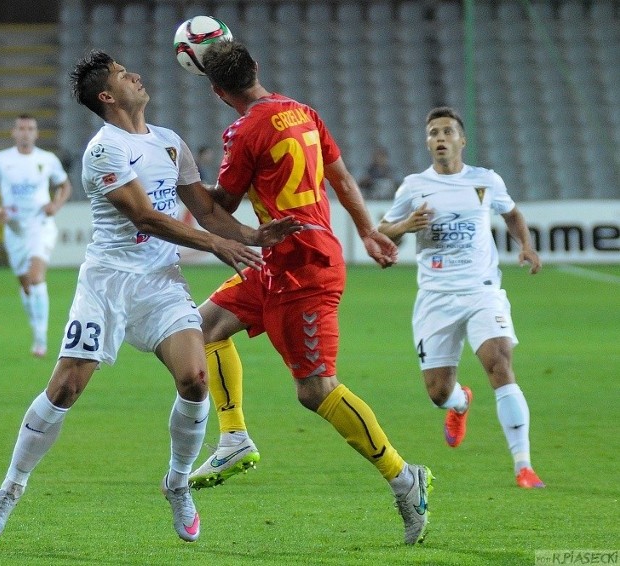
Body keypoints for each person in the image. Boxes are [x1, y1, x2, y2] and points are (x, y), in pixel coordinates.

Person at [0, 50, 301, 544]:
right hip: (107, 283)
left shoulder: (170, 144)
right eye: (125, 75)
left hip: (160, 282)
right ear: (107, 96)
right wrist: (218, 244)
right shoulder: (104, 150)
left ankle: (176, 483)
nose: (137, 76)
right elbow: (146, 218)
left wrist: (252, 236)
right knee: (65, 388)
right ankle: (10, 487)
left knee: (195, 379)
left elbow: (207, 211)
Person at [188, 40, 434, 545]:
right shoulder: (303, 112)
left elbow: (223, 207)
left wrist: (179, 181)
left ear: (216, 91)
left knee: (315, 389)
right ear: (256, 69)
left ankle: (405, 477)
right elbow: (339, 175)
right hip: (276, 261)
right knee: (204, 326)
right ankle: (234, 437)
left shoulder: (242, 132)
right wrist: (368, 230)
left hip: (304, 269)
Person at [377, 106, 545, 489]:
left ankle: (524, 465)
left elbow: (513, 214)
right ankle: (459, 402)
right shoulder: (414, 186)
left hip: (481, 291)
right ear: (427, 142)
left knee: (499, 362)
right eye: (433, 132)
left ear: (461, 140)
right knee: (438, 392)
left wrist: (527, 246)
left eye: (447, 131)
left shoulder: (485, 181)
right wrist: (406, 225)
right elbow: (381, 231)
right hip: (435, 297)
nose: (440, 137)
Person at [0, 114, 73, 357]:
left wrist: (56, 205)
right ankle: (35, 330)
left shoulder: (47, 159)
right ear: (14, 132)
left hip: (40, 225)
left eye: (30, 128)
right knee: (25, 285)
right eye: (21, 128)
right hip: (14, 229)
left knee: (35, 277)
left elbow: (65, 186)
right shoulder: (1, 160)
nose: (25, 132)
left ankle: (41, 341)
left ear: (36, 133)